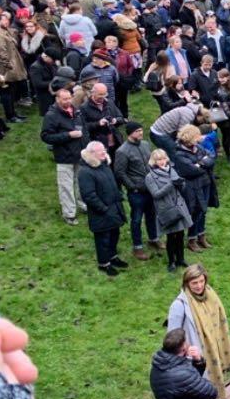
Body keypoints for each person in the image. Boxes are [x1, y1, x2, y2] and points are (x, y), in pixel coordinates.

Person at [167, 264, 230, 397]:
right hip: (194, 355)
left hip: (212, 350)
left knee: (209, 388)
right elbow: (172, 337)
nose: (199, 286)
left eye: (201, 281)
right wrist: (185, 351)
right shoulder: (178, 305)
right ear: (186, 283)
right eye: (194, 283)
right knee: (200, 389)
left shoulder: (210, 294)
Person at [77, 141, 128, 276]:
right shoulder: (85, 172)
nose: (105, 153)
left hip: (114, 208)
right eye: (102, 152)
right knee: (103, 239)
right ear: (92, 154)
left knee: (114, 235)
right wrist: (103, 209)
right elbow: (89, 195)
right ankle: (104, 264)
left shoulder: (104, 165)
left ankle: (113, 257)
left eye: (105, 151)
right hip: (102, 212)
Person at [149, 328, 219, 399]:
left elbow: (189, 382)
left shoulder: (159, 366)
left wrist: (198, 361)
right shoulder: (181, 374)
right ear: (183, 348)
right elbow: (211, 392)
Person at [113, 121, 159, 261]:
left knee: (152, 215)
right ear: (130, 133)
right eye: (137, 131)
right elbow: (120, 172)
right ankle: (137, 247)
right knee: (137, 219)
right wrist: (132, 187)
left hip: (150, 188)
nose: (140, 133)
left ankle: (153, 238)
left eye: (141, 130)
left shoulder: (145, 145)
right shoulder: (122, 151)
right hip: (137, 192)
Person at [41, 87, 87, 225]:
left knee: (82, 182)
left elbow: (84, 129)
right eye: (64, 99)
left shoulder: (77, 111)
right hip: (64, 156)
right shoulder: (51, 115)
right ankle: (69, 214)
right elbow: (46, 136)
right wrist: (68, 135)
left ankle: (83, 204)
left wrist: (87, 147)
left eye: (69, 98)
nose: (68, 101)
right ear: (57, 99)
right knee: (66, 186)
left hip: (80, 153)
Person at [144, 149, 191, 272]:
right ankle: (172, 262)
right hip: (167, 209)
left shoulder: (171, 169)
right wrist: (171, 184)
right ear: (153, 161)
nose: (162, 162)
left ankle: (181, 259)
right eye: (159, 159)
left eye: (164, 158)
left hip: (179, 206)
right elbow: (156, 194)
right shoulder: (150, 177)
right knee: (171, 236)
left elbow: (180, 188)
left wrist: (181, 184)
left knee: (180, 234)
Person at [175, 124, 217, 252]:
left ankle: (201, 236)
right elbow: (192, 170)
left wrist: (200, 164)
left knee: (203, 211)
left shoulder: (197, 147)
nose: (200, 137)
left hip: (205, 183)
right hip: (193, 187)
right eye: (197, 135)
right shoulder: (179, 154)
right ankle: (192, 239)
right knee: (195, 211)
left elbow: (212, 157)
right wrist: (202, 163)